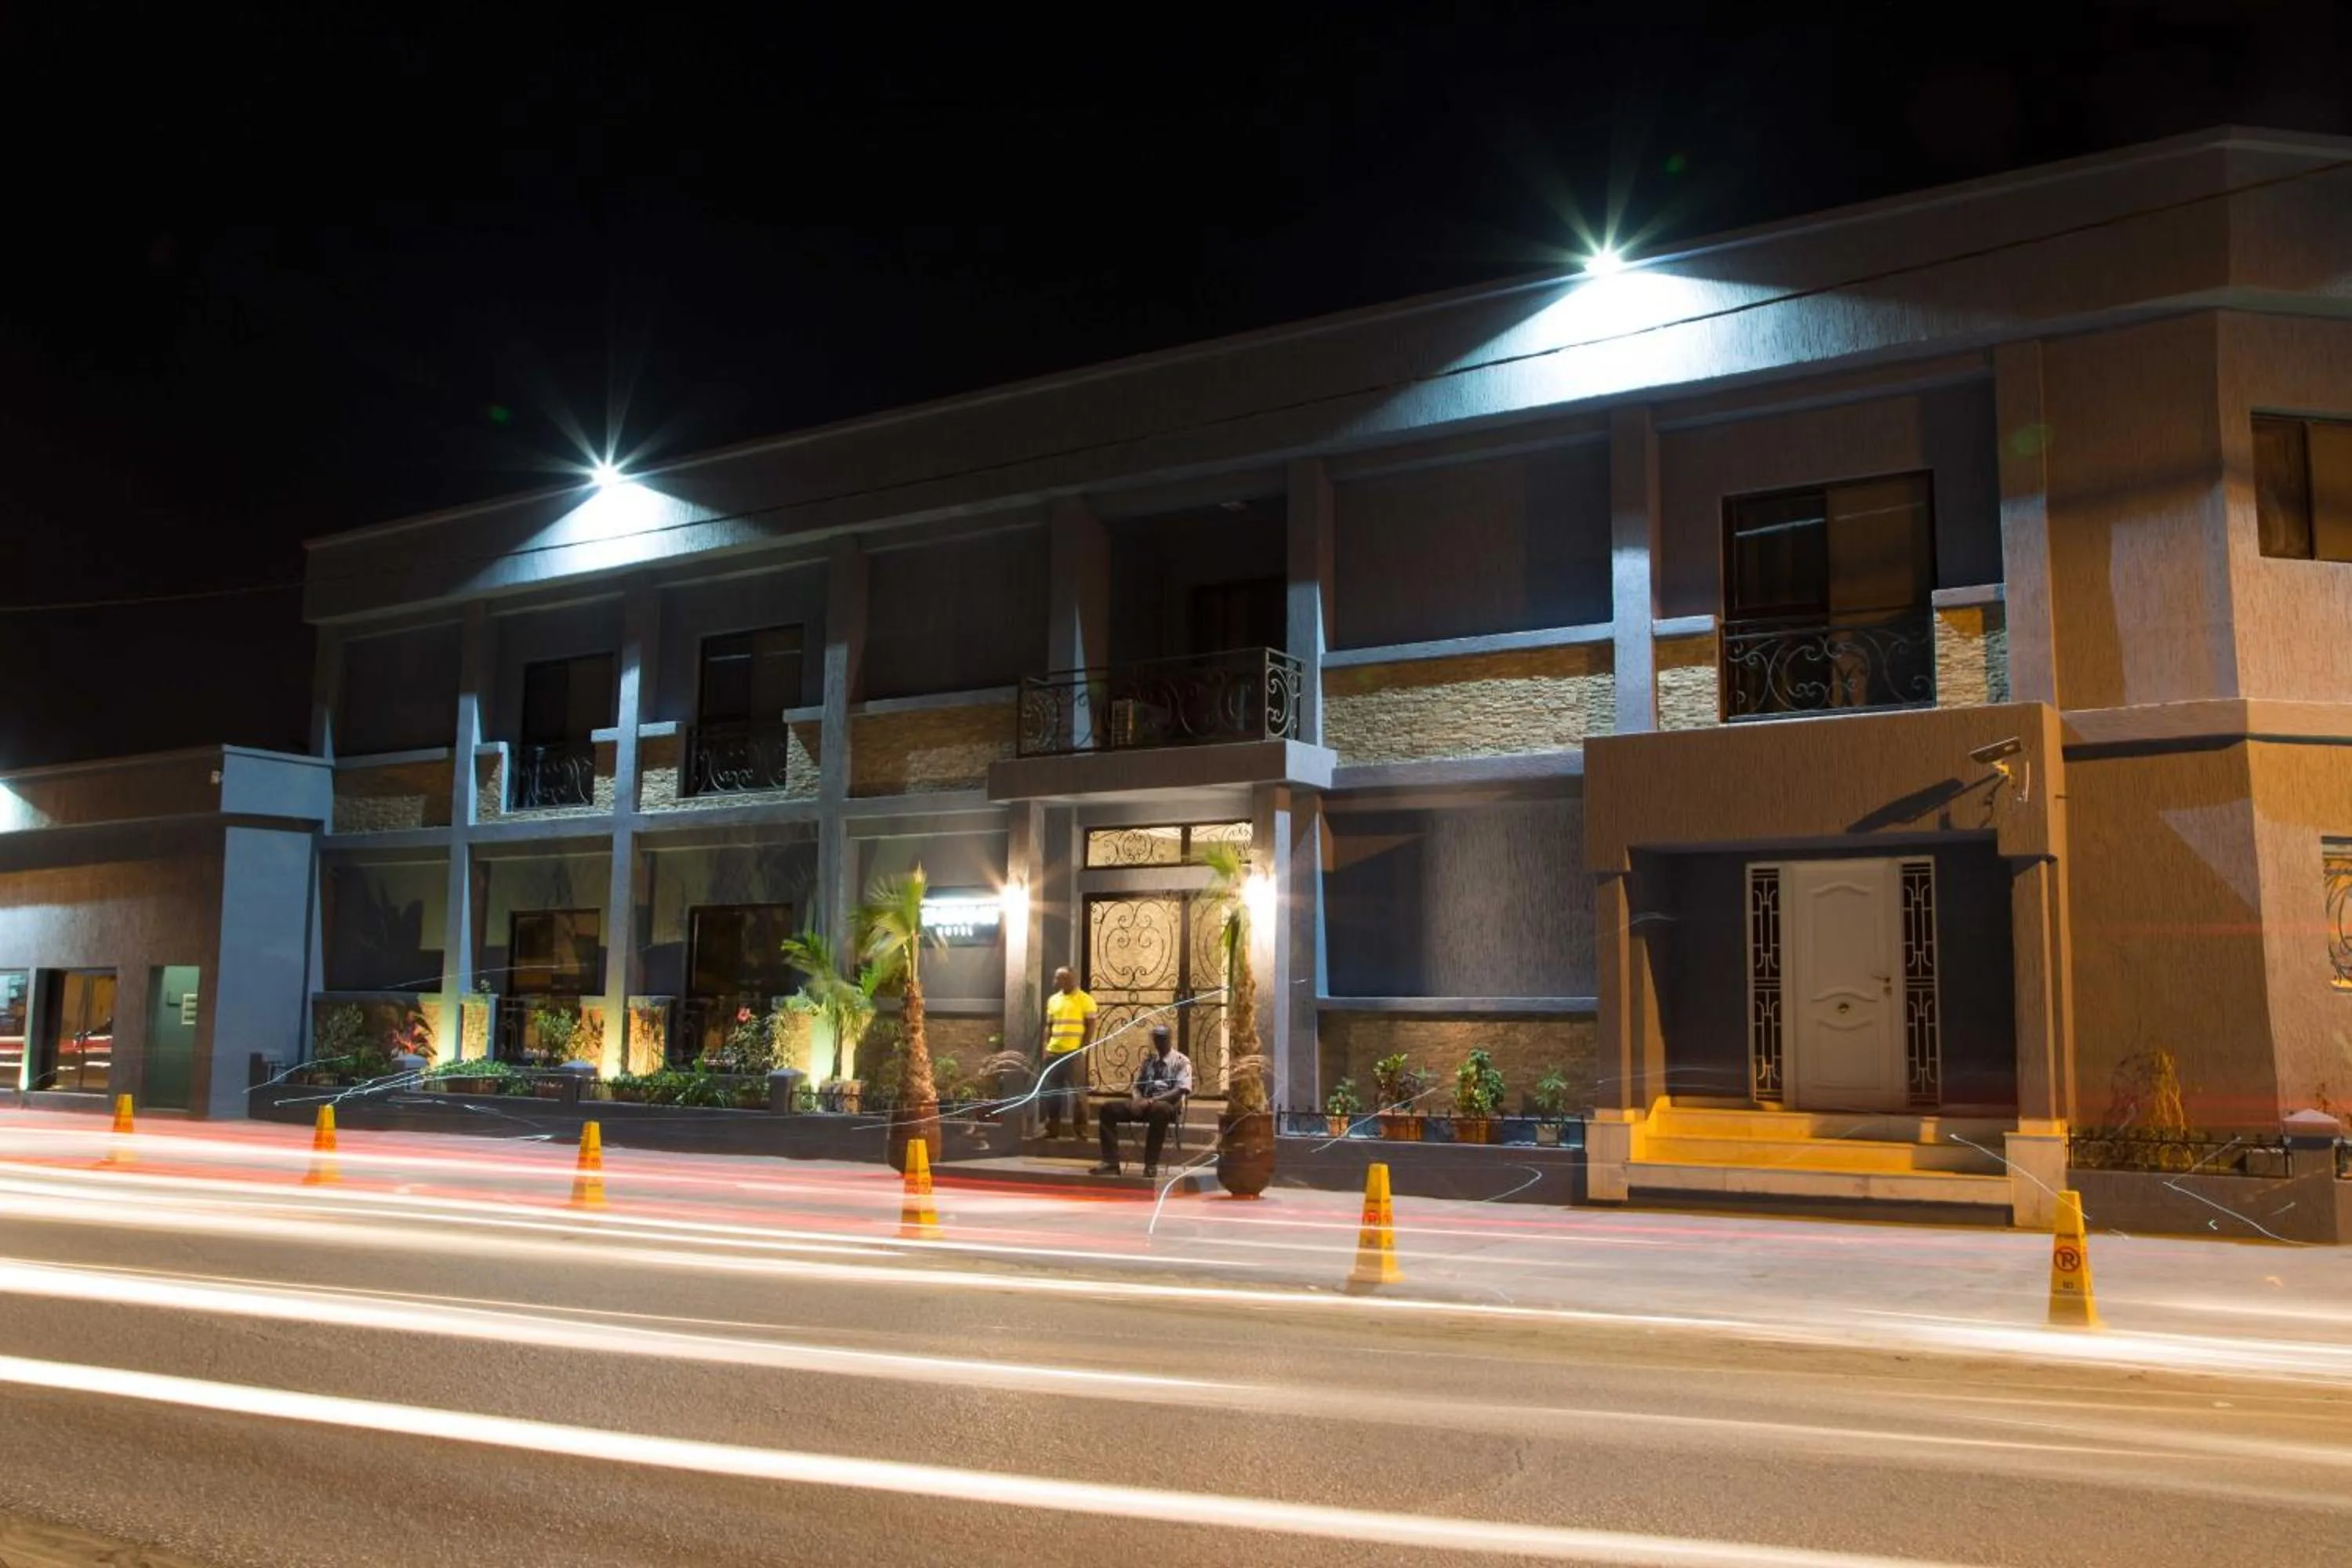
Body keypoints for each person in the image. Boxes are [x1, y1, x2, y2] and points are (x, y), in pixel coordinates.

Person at [1092, 1025, 1191, 1178]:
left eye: (1162, 1038)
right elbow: (1138, 1087)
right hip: (1144, 1104)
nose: (1159, 1042)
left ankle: (1151, 1164)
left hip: (1166, 1106)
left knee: (1161, 1110)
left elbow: (1180, 1090)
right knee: (1108, 1109)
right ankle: (1110, 1162)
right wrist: (1137, 1101)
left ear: (1169, 1039)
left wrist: (1151, 1101)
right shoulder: (1149, 1061)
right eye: (1156, 1038)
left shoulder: (1181, 1061)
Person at [1037, 967, 1097, 1138]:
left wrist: (1082, 1048)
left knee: (1079, 1094)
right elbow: (1048, 1026)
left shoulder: (1085, 1000)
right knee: (1051, 1093)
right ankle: (1051, 1129)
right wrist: (1045, 1048)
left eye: (1060, 978)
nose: (1057, 981)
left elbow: (1091, 1026)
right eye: (1057, 978)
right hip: (1054, 1053)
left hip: (1073, 1053)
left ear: (1071, 979)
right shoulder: (1053, 1000)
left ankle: (1081, 1130)